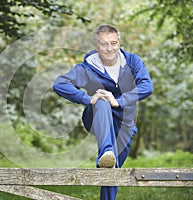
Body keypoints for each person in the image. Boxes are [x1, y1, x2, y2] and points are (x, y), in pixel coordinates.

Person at [52, 24, 153, 200]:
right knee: (102, 100)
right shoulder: (87, 68)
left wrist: (119, 101)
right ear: (97, 46)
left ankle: (107, 161)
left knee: (111, 171)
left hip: (125, 124)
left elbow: (147, 86)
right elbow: (59, 84)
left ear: (119, 43)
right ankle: (106, 150)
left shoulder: (132, 62)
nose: (110, 48)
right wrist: (87, 99)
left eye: (114, 43)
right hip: (97, 116)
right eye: (105, 44)